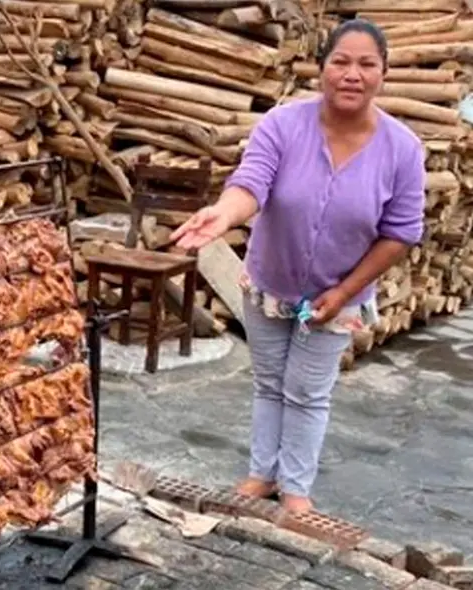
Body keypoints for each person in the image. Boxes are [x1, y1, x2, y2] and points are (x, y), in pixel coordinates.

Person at [169, 19, 426, 514]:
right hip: (270, 281)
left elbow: (401, 233)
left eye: (366, 64)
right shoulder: (282, 125)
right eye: (341, 62)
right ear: (321, 69)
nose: (352, 74)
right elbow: (251, 184)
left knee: (307, 391)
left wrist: (346, 290)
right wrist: (222, 216)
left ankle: (296, 489)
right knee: (269, 381)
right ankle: (262, 475)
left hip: (340, 292)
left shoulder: (402, 149)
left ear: (384, 74)